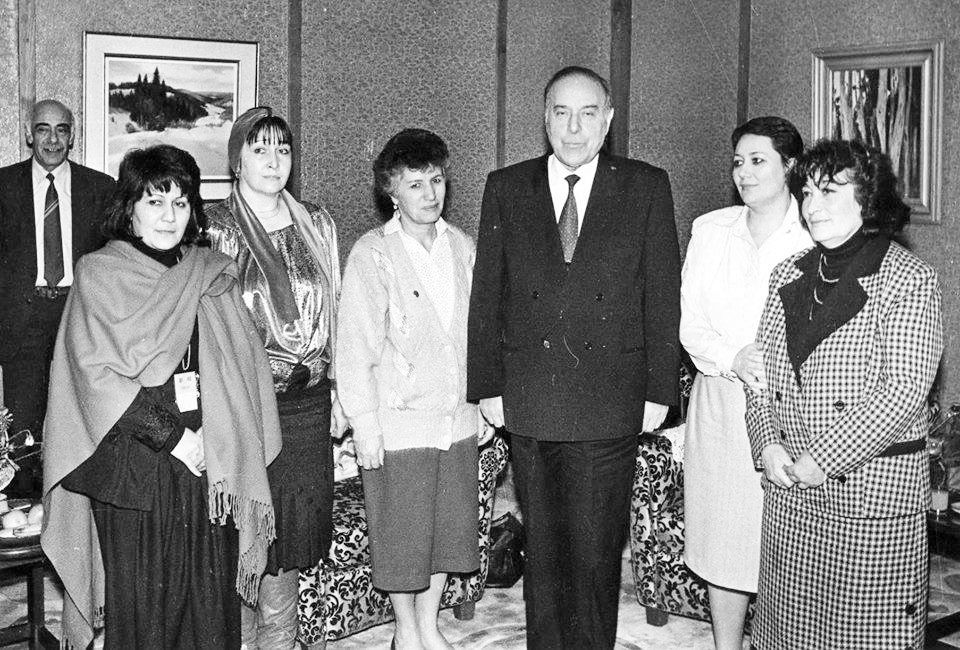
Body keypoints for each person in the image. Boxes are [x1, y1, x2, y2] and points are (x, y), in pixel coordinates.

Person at [467, 66, 681, 649]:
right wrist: (487, 385)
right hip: (530, 398)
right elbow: (488, 294)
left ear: (608, 121)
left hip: (608, 400)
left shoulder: (644, 186)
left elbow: (662, 294)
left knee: (593, 556)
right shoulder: (507, 187)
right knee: (543, 553)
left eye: (588, 114)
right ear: (545, 118)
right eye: (561, 113)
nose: (574, 128)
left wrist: (659, 390)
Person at [41, 145, 281, 649]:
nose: (170, 216)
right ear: (130, 209)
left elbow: (244, 366)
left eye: (181, 202)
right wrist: (175, 439)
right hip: (136, 466)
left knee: (209, 608)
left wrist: (219, 435)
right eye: (155, 202)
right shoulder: (100, 273)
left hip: (209, 465)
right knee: (146, 615)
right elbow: (95, 375)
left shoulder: (211, 272)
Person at [745, 138, 942, 648]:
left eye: (830, 191)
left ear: (868, 198)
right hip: (791, 494)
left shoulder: (909, 279)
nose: (813, 205)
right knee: (788, 634)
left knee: (863, 636)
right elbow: (760, 375)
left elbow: (902, 391)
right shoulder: (788, 272)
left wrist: (823, 459)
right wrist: (767, 444)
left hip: (866, 496)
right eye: (807, 192)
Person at [337, 128, 493, 650]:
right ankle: (405, 629)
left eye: (437, 180)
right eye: (415, 184)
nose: (430, 193)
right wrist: (363, 423)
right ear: (391, 190)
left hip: (456, 419)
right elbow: (354, 346)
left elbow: (480, 333)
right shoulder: (372, 253)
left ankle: (429, 624)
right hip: (398, 423)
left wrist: (484, 402)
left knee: (446, 532)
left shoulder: (463, 247)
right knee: (403, 537)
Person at [207, 106, 343, 649]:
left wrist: (339, 391)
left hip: (309, 402)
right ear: (236, 161)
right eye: (259, 149)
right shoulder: (215, 226)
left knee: (289, 540)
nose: (273, 160)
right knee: (250, 531)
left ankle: (279, 642)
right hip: (248, 403)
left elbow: (337, 307)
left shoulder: (317, 222)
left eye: (282, 149)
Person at [680, 116, 811, 648]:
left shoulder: (817, 233)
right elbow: (690, 325)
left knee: (789, 543)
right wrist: (731, 357)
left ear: (790, 166)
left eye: (758, 161)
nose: (745, 173)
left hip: (794, 408)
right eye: (738, 162)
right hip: (721, 403)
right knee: (724, 542)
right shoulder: (711, 230)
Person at [0, 99, 115, 496]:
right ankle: (26, 512)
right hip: (22, 323)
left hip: (78, 317)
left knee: (82, 419)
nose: (52, 139)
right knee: (23, 431)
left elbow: (112, 260)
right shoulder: (3, 187)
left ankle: (78, 513)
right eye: (43, 129)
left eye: (61, 129)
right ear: (28, 134)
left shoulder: (100, 189)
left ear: (72, 136)